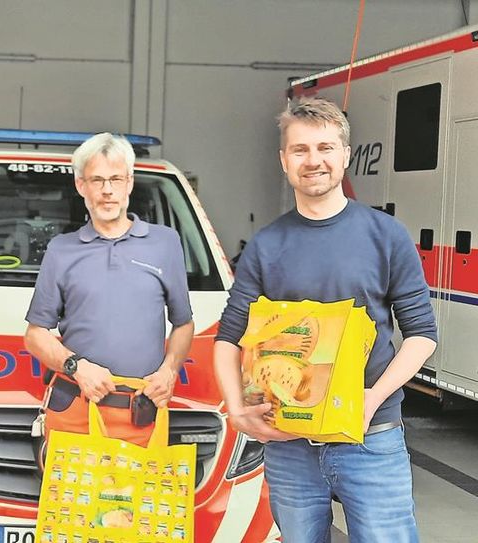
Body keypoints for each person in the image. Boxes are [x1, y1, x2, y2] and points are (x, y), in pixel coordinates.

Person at [214, 96, 437, 542]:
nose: (313, 160)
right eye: (300, 150)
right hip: (289, 442)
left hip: (371, 436)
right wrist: (237, 409)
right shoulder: (266, 246)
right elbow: (228, 337)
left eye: (325, 148)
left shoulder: (386, 236)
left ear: (345, 155)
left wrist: (372, 398)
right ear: (284, 160)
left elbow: (422, 335)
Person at [24, 132, 194, 447]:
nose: (107, 190)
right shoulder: (61, 250)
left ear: (129, 182)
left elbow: (183, 323)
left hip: (141, 414)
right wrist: (77, 367)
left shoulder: (165, 243)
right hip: (75, 411)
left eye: (115, 179)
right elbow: (35, 336)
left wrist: (169, 371)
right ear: (81, 186)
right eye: (97, 180)